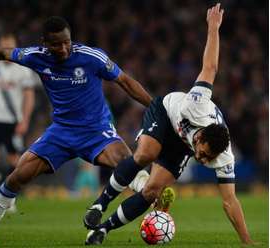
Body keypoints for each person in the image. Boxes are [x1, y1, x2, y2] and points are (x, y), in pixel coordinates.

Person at [0, 16, 153, 245]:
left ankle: (157, 201)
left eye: (67, 42)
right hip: (61, 132)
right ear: (44, 42)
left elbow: (125, 81)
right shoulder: (35, 56)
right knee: (18, 175)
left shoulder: (91, 57)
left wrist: (156, 108)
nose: (64, 48)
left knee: (127, 163)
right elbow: (2, 52)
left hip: (96, 131)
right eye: (56, 44)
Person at [84, 4, 254, 245]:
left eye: (206, 159)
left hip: (181, 143)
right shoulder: (197, 105)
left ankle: (101, 230)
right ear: (200, 137)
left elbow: (230, 201)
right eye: (204, 155)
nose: (204, 161)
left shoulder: (222, 156)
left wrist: (247, 242)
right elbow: (211, 67)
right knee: (146, 154)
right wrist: (213, 28)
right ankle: (99, 204)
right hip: (166, 113)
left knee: (152, 191)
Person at [0, 33, 35, 195]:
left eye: (10, 46)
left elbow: (29, 97)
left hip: (13, 121)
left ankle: (9, 197)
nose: (6, 49)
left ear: (15, 47)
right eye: (3, 46)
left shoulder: (23, 69)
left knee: (15, 162)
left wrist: (25, 121)